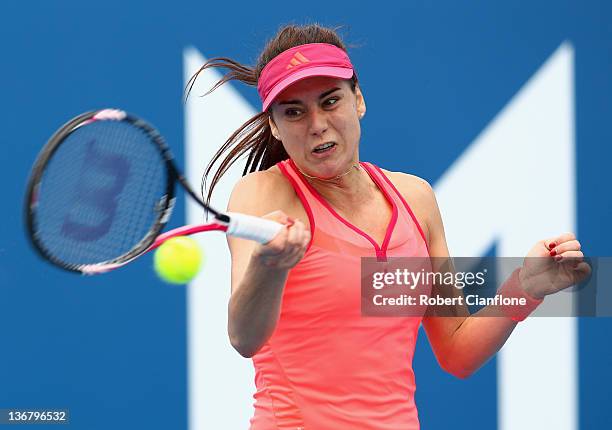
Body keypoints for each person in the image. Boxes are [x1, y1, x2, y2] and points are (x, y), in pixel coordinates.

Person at [187, 24, 591, 430]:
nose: (317, 124)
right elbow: (244, 338)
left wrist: (524, 288)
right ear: (274, 125)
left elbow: (456, 352)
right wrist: (268, 266)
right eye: (293, 111)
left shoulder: (415, 198)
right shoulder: (263, 196)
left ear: (358, 100)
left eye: (330, 102)